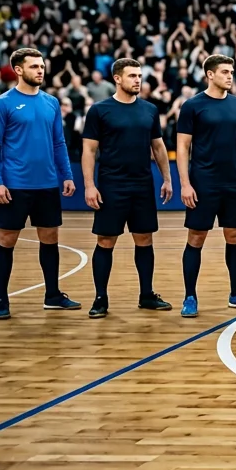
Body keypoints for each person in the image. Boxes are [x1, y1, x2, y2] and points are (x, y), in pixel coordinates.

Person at [0, 48, 78, 320]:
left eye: (42, 66)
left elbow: (59, 143)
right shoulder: (3, 103)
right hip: (15, 185)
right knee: (7, 240)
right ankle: (1, 301)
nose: (40, 70)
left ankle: (52, 295)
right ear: (18, 70)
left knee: (50, 239)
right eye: (34, 66)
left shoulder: (51, 102)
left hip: (47, 184)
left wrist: (67, 174)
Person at [80, 58, 173, 318]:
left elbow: (158, 146)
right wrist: (89, 185)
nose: (137, 80)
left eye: (140, 75)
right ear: (117, 79)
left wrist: (167, 178)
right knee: (106, 241)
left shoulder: (150, 110)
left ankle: (146, 294)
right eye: (132, 75)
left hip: (142, 184)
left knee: (144, 239)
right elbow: (89, 149)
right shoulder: (100, 110)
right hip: (112, 185)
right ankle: (100, 298)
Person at [176, 54, 236, 318]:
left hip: (232, 182)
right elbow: (182, 146)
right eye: (225, 71)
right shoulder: (193, 106)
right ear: (210, 75)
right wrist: (185, 184)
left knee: (235, 237)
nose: (230, 76)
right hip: (203, 182)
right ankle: (190, 296)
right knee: (196, 238)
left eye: (232, 71)